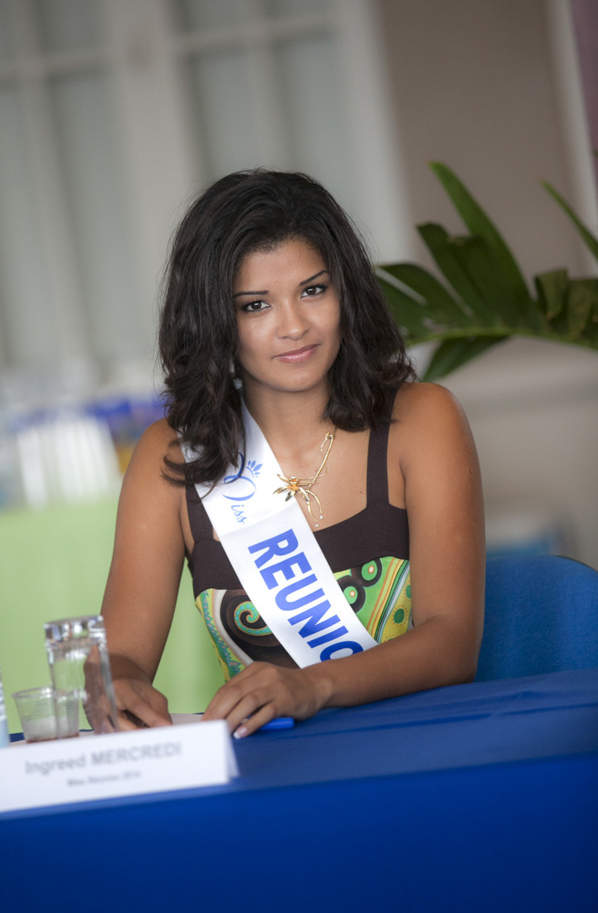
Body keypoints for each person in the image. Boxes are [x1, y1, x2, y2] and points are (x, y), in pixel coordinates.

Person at [101, 169, 485, 739]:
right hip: (269, 773)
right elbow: (121, 657)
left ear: (344, 292)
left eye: (313, 290)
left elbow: (452, 643)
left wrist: (312, 685)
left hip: (423, 748)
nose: (295, 327)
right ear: (214, 322)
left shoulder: (422, 421)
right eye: (256, 305)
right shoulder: (173, 459)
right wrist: (115, 684)